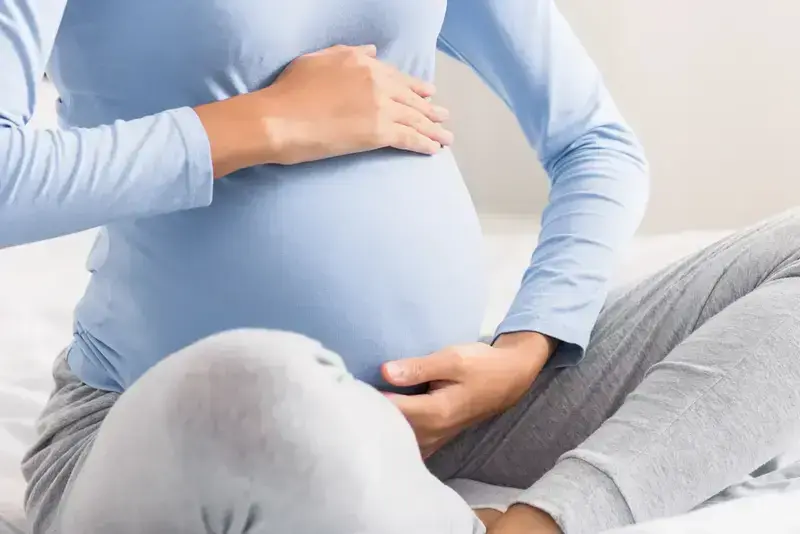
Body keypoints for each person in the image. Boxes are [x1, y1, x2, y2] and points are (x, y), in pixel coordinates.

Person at [3, 0, 798, 533]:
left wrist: (520, 356)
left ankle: (543, 523)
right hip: (176, 425)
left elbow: (595, 144)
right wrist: (263, 122)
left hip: (454, 415)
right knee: (261, 385)